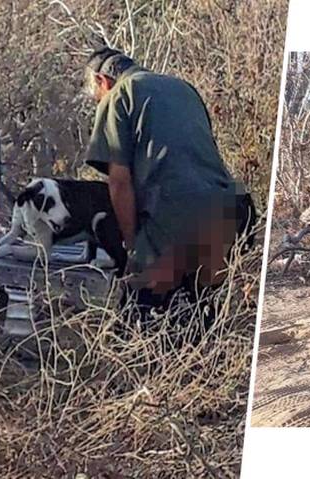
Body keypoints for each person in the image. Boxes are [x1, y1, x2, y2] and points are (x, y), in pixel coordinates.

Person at [83, 46, 256, 317]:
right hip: (229, 210)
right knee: (205, 316)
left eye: (97, 97)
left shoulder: (119, 94)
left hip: (171, 215)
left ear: (101, 81)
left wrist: (133, 248)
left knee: (139, 319)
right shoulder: (184, 89)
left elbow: (118, 183)